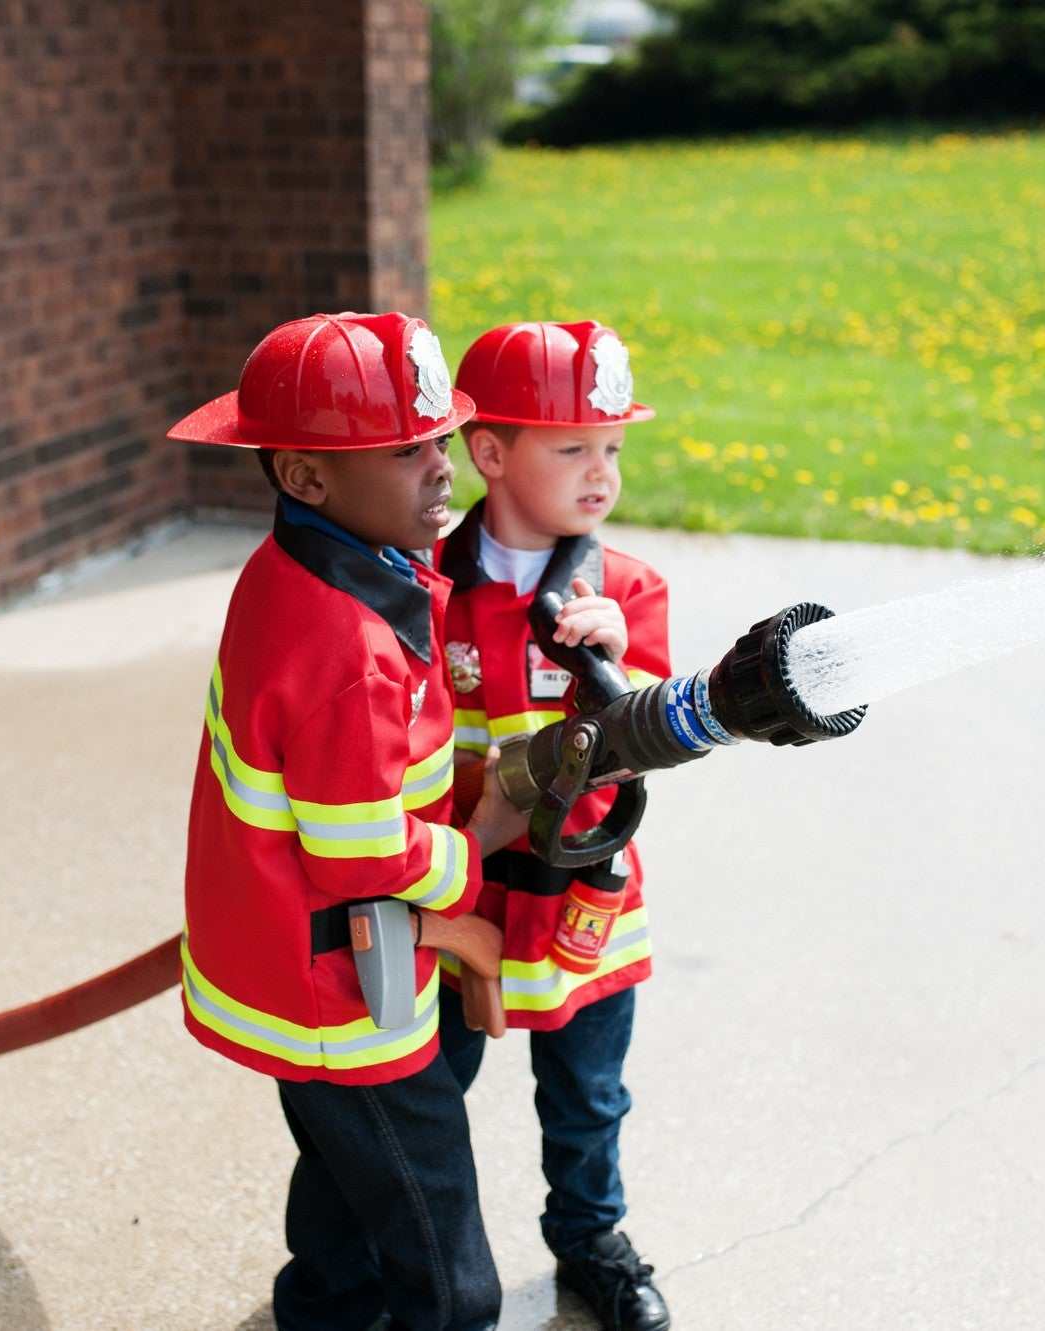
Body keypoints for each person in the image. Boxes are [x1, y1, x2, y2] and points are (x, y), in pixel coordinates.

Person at [169, 311, 529, 1331]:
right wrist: (480, 842)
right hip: (343, 988)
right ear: (304, 476)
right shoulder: (349, 645)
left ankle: (322, 1310)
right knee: (435, 1231)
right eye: (403, 449)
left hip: (288, 968)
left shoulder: (299, 566)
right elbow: (357, 850)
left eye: (439, 438)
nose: (440, 466)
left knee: (342, 1172)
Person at [433, 320, 672, 1331]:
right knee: (423, 1093)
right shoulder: (422, 588)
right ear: (487, 451)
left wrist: (618, 663)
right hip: (457, 896)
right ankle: (427, 1262)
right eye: (570, 446)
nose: (599, 471)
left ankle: (590, 1241)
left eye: (611, 447)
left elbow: (668, 736)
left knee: (586, 1100)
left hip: (581, 904)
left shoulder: (622, 588)